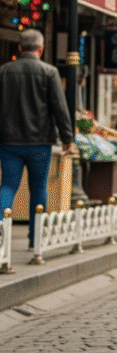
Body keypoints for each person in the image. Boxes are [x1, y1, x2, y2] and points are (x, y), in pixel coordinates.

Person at [0, 29, 75, 248]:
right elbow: (60, 109)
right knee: (39, 187)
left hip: (9, 142)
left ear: (20, 48)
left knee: (7, 186)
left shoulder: (4, 72)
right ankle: (36, 239)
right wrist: (67, 137)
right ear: (41, 49)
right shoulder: (49, 73)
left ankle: (1, 234)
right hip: (40, 143)